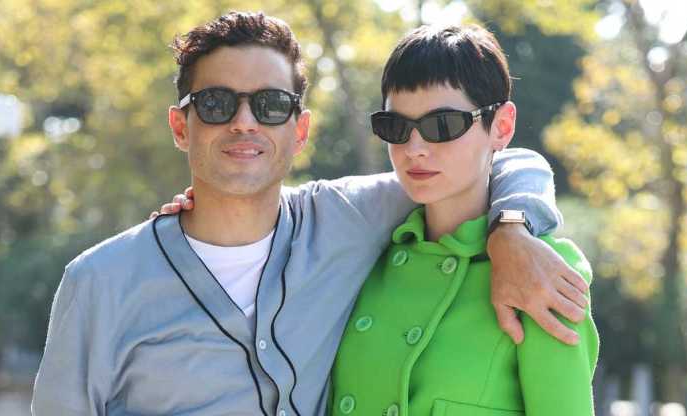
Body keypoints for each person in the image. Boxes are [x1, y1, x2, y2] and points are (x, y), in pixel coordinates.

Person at [32, 12, 588, 416]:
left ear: (300, 130)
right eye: (216, 104)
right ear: (181, 126)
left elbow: (498, 158)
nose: (244, 123)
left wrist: (511, 229)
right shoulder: (99, 284)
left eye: (271, 105)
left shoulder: (349, 219)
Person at [328, 24, 599, 416]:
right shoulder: (365, 255)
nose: (414, 149)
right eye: (396, 127)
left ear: (502, 126)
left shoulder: (542, 273)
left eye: (442, 125)